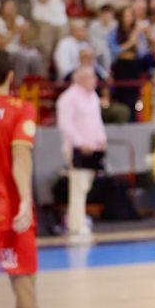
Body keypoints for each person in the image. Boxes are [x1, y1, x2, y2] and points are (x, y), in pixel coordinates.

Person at [0, 50, 68, 308]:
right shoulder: (19, 109)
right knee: (24, 286)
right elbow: (20, 157)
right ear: (10, 78)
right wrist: (24, 200)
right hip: (7, 214)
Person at [56, 66, 106, 242]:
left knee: (86, 186)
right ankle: (76, 224)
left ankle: (79, 220)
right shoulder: (68, 98)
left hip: (93, 148)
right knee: (77, 186)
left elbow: (97, 120)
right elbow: (65, 124)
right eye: (90, 77)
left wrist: (101, 139)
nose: (94, 80)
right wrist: (79, 142)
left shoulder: (92, 96)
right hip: (77, 149)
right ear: (80, 79)